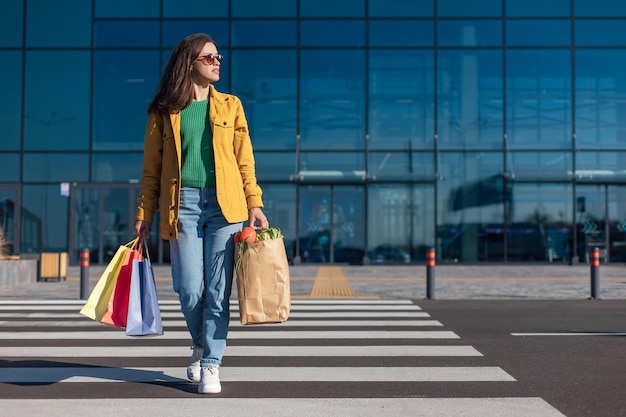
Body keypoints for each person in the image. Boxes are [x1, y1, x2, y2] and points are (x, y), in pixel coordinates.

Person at [134, 33, 268, 394]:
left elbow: (245, 160)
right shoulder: (164, 111)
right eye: (209, 57)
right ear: (189, 62)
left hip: (227, 207)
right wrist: (145, 211)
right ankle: (199, 342)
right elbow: (151, 170)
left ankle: (211, 362)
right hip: (183, 206)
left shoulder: (231, 105)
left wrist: (255, 203)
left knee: (219, 291)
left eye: (218, 57)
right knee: (190, 289)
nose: (217, 61)